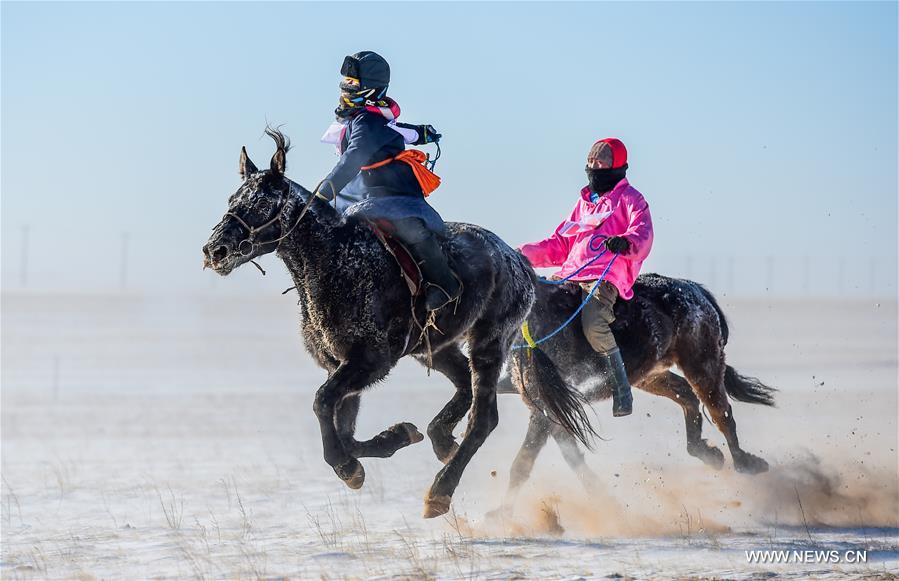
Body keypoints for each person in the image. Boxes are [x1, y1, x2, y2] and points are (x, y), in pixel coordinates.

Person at [315, 51, 460, 311]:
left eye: (353, 83)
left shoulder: (367, 121)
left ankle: (444, 284)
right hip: (367, 190)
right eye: (346, 81)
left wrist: (323, 194)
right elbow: (399, 131)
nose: (346, 87)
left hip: (393, 190)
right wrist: (421, 133)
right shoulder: (365, 116)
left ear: (371, 89)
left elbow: (352, 160)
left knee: (410, 227)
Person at [518, 138, 654, 417]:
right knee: (529, 307)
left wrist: (625, 242)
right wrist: (522, 254)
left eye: (601, 163)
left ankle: (621, 387)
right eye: (591, 163)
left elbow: (644, 235)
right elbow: (559, 245)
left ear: (617, 167)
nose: (594, 168)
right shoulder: (583, 203)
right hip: (568, 274)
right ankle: (520, 370)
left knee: (594, 324)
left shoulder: (631, 200)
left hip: (604, 277)